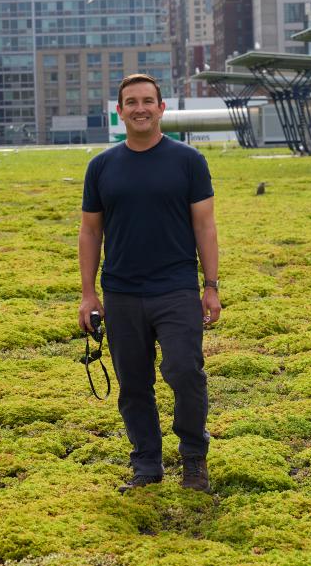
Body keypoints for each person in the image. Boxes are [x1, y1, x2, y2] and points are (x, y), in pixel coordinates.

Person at [78, 74, 221, 493]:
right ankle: (147, 465)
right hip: (121, 293)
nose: (139, 108)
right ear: (119, 111)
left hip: (176, 289)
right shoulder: (101, 167)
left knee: (185, 372)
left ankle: (194, 458)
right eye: (130, 102)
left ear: (161, 109)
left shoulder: (188, 161)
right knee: (133, 383)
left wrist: (210, 285)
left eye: (147, 101)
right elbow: (90, 232)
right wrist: (88, 294)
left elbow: (205, 225)